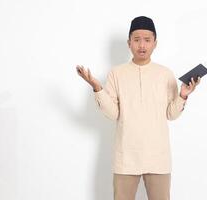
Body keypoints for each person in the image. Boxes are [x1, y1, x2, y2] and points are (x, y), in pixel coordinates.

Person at [76, 16, 200, 200]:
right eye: (137, 40)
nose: (142, 45)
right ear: (129, 43)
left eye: (147, 40)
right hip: (126, 156)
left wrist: (183, 95)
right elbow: (113, 113)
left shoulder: (165, 74)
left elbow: (171, 114)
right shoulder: (116, 73)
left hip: (158, 156)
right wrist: (97, 87)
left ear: (155, 43)